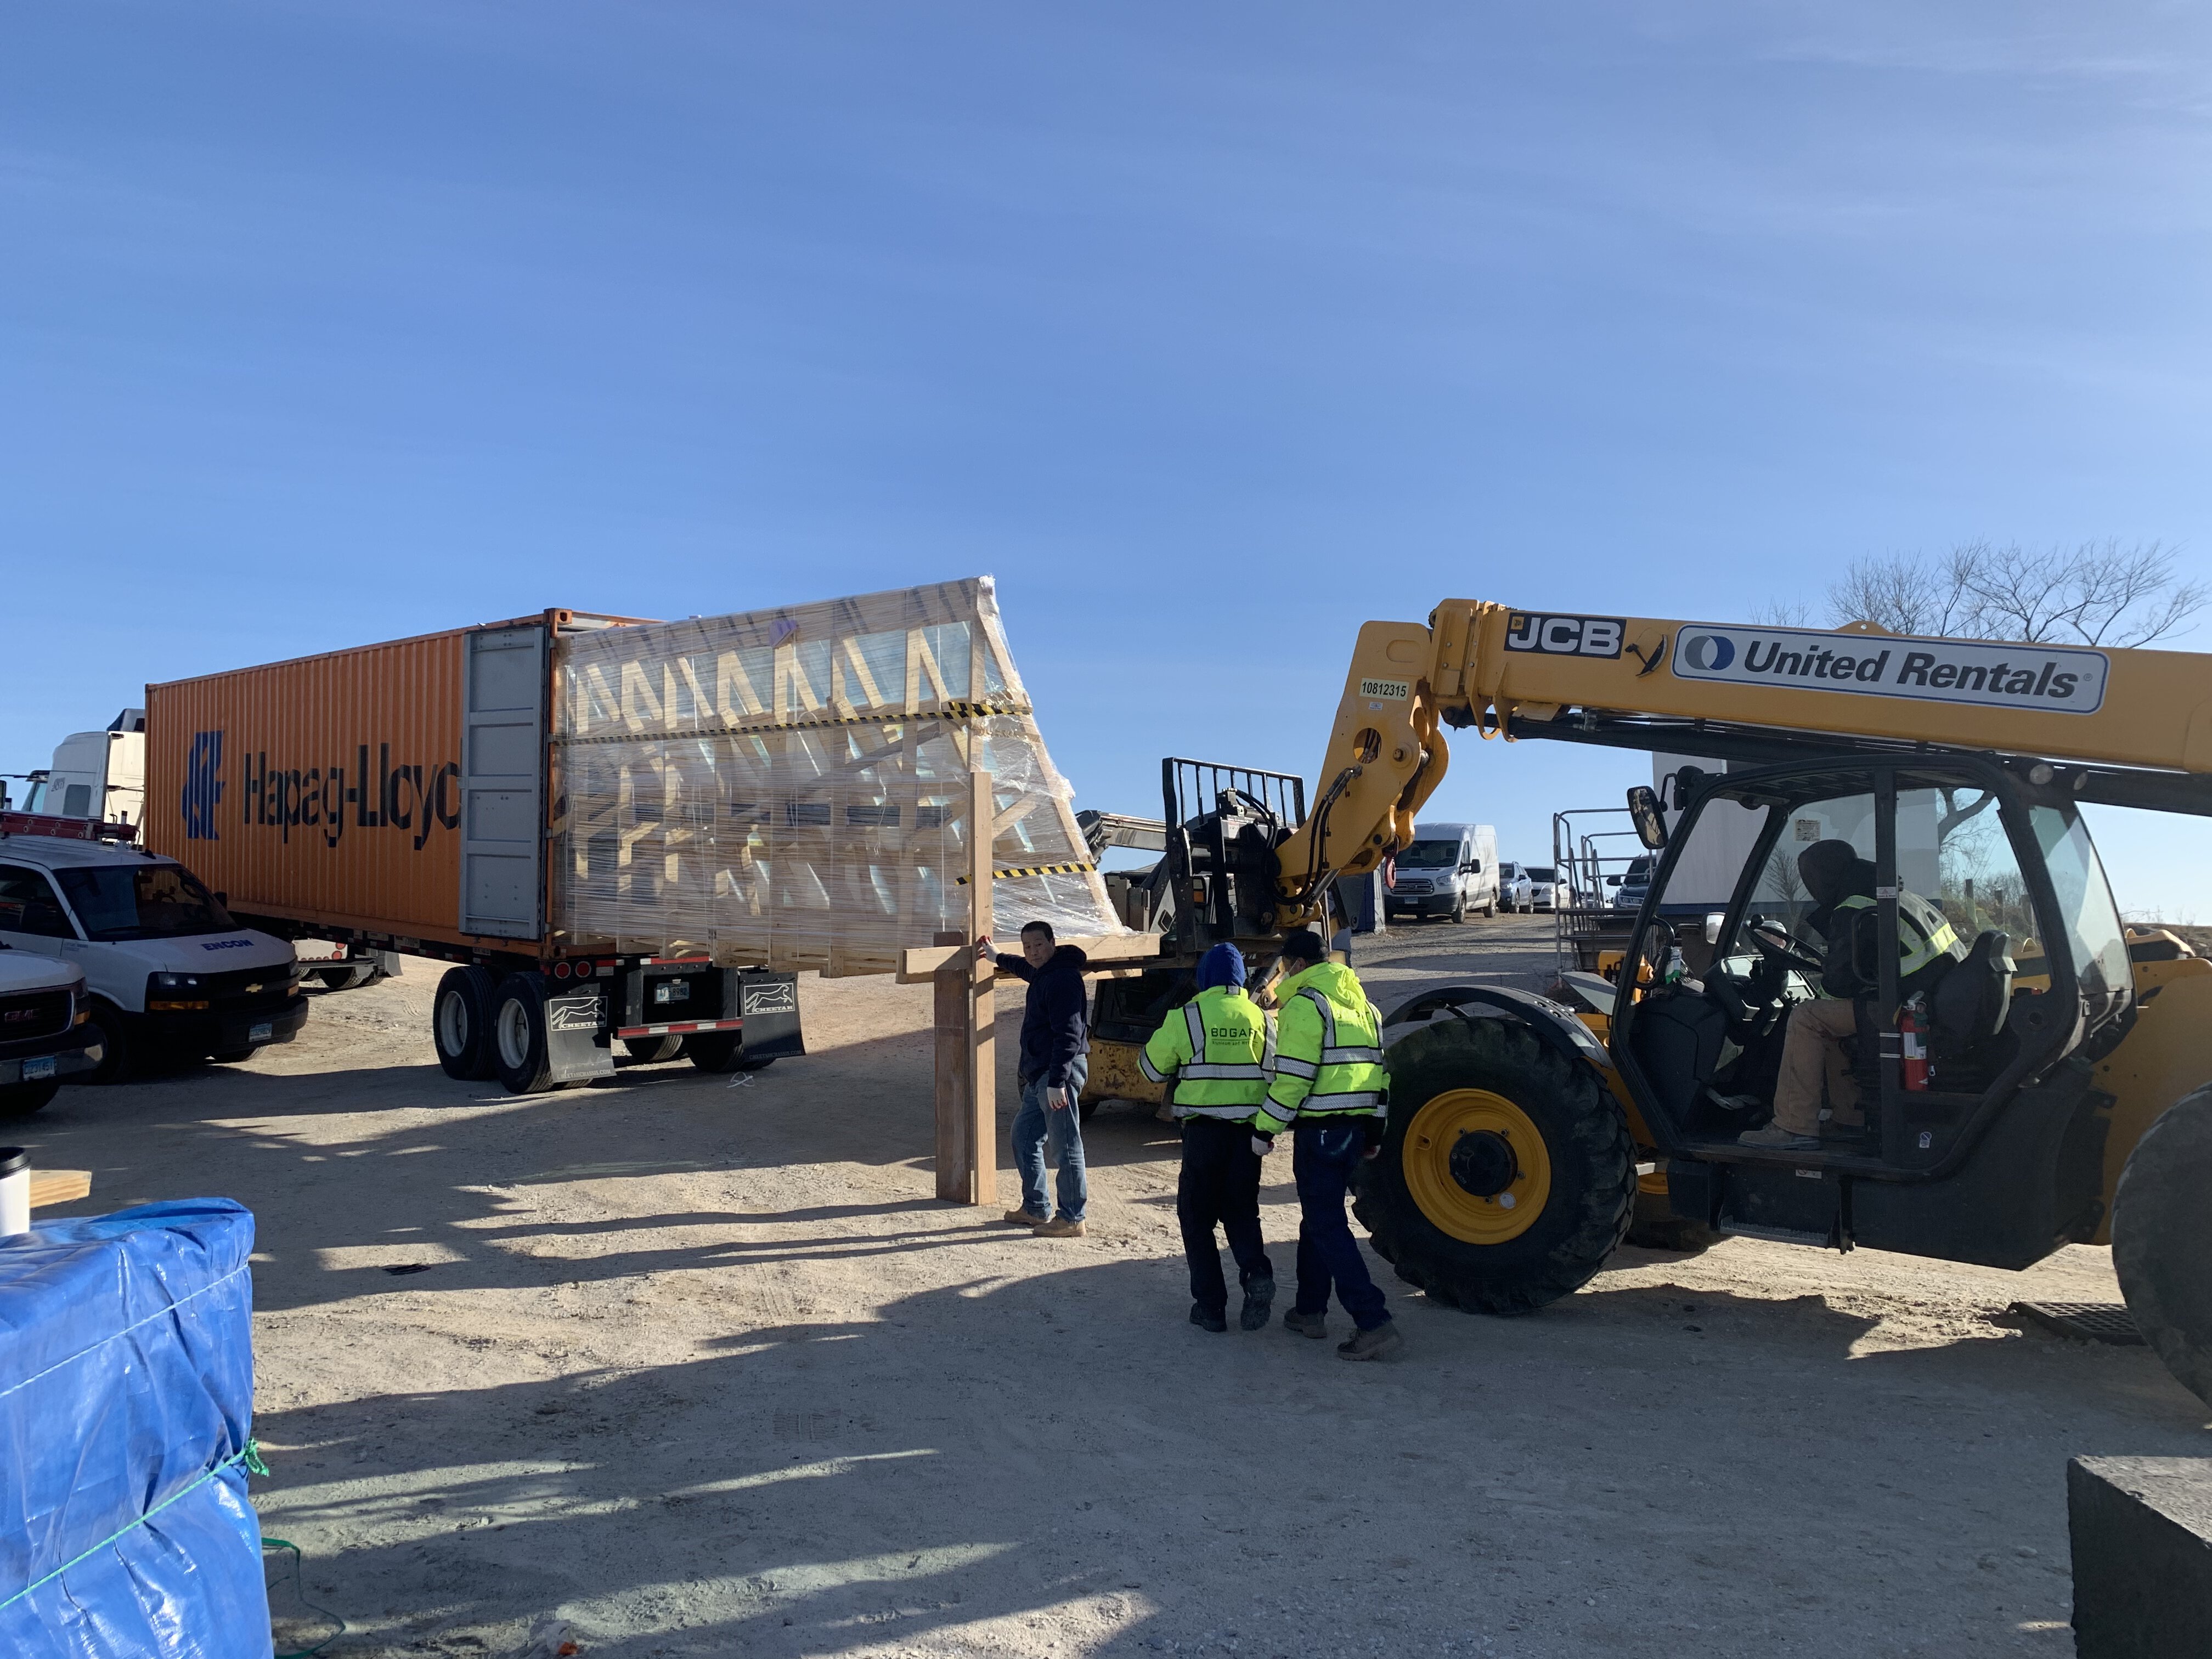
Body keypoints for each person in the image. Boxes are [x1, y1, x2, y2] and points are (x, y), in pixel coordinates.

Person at [1739, 838, 1965, 1150]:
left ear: (1825, 876)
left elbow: (1838, 984)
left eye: (1811, 878)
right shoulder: (1897, 895)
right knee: (1826, 1020)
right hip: (1928, 1000)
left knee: (1807, 1018)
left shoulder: (1855, 906)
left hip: (1906, 1009)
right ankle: (1849, 1119)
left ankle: (1793, 1127)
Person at [1255, 928, 1402, 1361]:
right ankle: (1309, 1311)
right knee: (1317, 1220)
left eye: (1283, 968)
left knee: (1326, 1225)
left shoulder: (1306, 1005)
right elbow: (1380, 1078)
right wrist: (1374, 1132)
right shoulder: (1365, 1007)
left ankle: (1372, 1321)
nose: (1280, 977)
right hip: (1354, 1132)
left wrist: (1264, 1129)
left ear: (1297, 965)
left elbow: (1294, 1078)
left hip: (1320, 1132)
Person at [1139, 942, 1278, 1334]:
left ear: (1204, 978)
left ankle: (1211, 1307)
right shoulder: (1263, 1019)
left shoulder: (1187, 1017)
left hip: (1203, 1135)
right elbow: (1278, 1075)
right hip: (1249, 1136)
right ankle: (1256, 1274)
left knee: (1196, 1219)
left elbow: (1150, 1069)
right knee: (1241, 1211)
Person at [986, 921, 1091, 1236]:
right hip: (1041, 1075)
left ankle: (1072, 1218)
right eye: (1027, 947)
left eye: (1038, 945)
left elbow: (1070, 1036)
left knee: (1066, 1145)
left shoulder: (1062, 979)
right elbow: (1025, 968)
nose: (1032, 952)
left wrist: (1058, 1081)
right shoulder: (1046, 972)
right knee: (1024, 1136)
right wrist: (996, 956)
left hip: (1056, 1074)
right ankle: (1035, 1208)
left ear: (1052, 943)